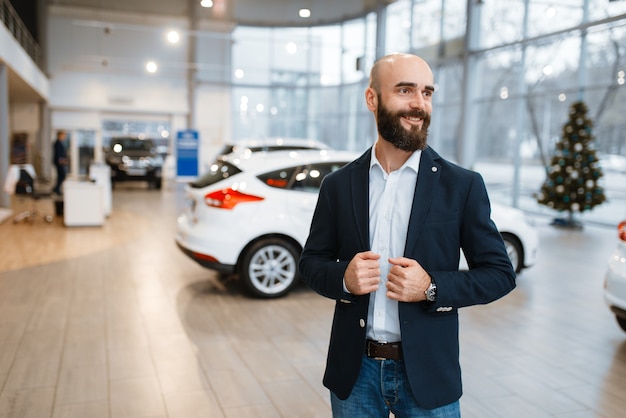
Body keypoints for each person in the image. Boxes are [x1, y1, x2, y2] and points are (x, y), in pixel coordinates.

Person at [299, 53, 516, 417]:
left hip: (429, 377)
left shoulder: (461, 186)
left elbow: (499, 274)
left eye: (427, 93)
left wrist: (431, 287)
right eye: (405, 90)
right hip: (355, 374)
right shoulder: (338, 185)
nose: (419, 104)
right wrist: (345, 279)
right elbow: (311, 264)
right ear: (373, 99)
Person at [53, 130, 68, 195]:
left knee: (61, 176)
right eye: (63, 135)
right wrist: (62, 161)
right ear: (60, 135)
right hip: (59, 162)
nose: (64, 136)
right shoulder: (57, 143)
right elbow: (58, 154)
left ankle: (56, 188)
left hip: (60, 162)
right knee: (62, 175)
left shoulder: (60, 143)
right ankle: (56, 189)